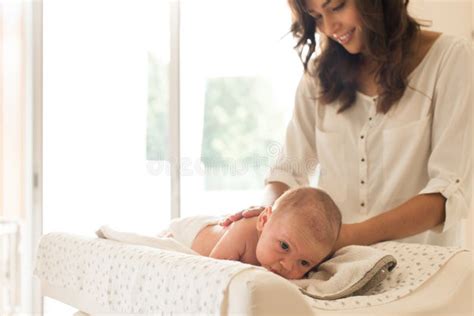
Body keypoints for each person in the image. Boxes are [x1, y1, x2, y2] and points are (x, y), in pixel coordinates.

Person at [221, 0, 472, 249]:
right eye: (317, 16)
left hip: (425, 271)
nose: (329, 27)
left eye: (337, 6)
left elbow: (447, 194)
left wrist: (343, 238)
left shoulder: (451, 59)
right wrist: (268, 214)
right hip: (335, 268)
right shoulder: (319, 77)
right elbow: (288, 170)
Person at [163, 187, 341, 279]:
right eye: (284, 246)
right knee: (164, 239)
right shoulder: (243, 233)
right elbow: (211, 271)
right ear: (263, 221)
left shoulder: (300, 246)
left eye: (304, 263)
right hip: (191, 232)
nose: (288, 266)